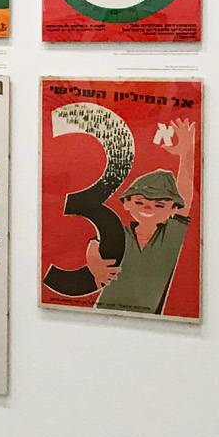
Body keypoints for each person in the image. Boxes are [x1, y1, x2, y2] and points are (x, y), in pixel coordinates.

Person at [85, 118, 196, 315]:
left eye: (159, 204)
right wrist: (95, 265)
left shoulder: (170, 236)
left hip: (148, 317)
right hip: (104, 310)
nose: (148, 207)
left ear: (173, 208)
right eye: (139, 202)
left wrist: (186, 153)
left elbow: (185, 196)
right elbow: (94, 243)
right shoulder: (121, 234)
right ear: (126, 203)